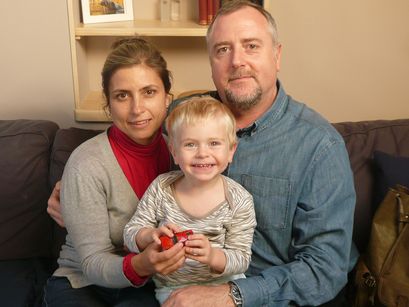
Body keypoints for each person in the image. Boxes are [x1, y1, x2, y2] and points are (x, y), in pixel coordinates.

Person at [48, 1, 358, 306]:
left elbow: (325, 268)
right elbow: (129, 135)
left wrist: (232, 296)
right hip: (169, 285)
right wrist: (76, 195)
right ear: (211, 63)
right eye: (223, 49)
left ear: (277, 55)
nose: (237, 61)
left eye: (251, 45)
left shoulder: (318, 146)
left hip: (261, 293)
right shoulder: (184, 117)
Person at [42, 37, 186, 307]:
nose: (137, 109)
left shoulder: (182, 156)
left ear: (168, 98)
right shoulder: (86, 163)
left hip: (144, 287)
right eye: (122, 96)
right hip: (83, 283)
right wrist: (142, 265)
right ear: (108, 103)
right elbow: (92, 261)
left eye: (149, 92)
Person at [123, 97, 257, 304]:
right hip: (172, 288)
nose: (203, 153)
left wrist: (213, 256)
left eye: (214, 143)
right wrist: (150, 235)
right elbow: (130, 233)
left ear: (231, 151)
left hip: (224, 287)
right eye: (190, 144)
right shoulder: (162, 188)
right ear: (174, 152)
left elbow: (241, 258)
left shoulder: (239, 200)